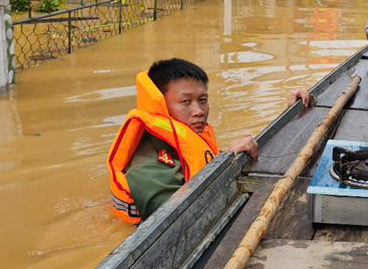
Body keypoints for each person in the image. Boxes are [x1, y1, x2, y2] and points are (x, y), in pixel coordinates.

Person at [107, 59, 258, 223]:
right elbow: (181, 222)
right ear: (161, 106)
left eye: (202, 100)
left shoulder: (183, 144)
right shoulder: (148, 170)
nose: (198, 111)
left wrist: (235, 156)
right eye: (186, 101)